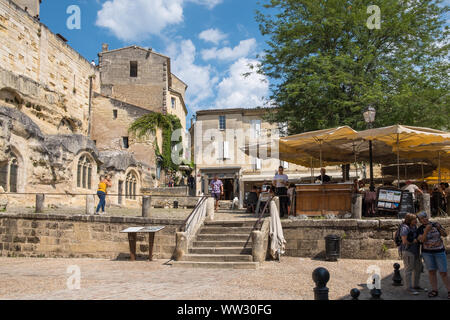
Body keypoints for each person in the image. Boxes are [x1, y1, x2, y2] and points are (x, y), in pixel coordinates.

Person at [417, 211, 450, 299]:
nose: (424, 219)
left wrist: (440, 228)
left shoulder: (435, 224)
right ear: (420, 221)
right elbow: (422, 240)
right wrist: (426, 231)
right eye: (422, 218)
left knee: (443, 272)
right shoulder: (420, 229)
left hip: (439, 251)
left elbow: (445, 234)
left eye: (425, 217)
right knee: (431, 271)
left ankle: (449, 290)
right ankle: (434, 290)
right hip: (427, 253)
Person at [399, 213, 423, 295]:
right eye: (414, 220)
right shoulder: (405, 228)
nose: (416, 221)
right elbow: (404, 241)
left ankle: (416, 286)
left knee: (418, 268)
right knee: (408, 270)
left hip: (416, 251)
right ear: (409, 220)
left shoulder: (414, 227)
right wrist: (416, 240)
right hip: (408, 251)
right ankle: (408, 288)